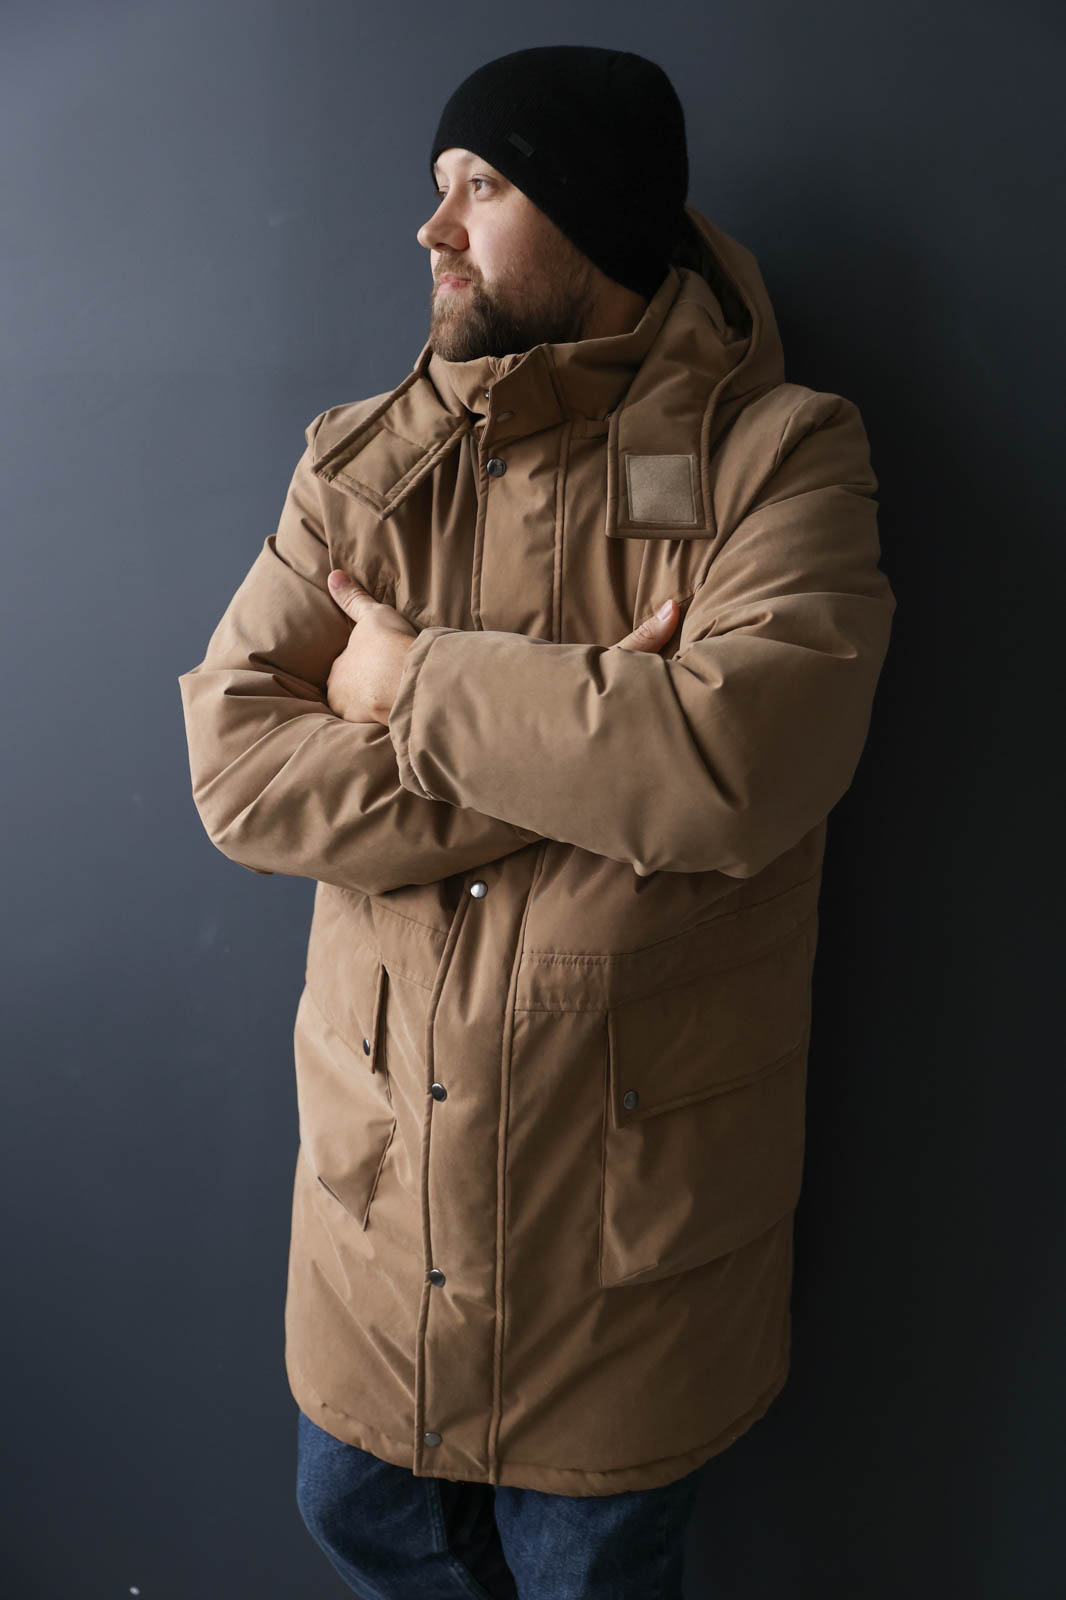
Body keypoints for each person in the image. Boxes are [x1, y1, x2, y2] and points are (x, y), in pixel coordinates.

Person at [178, 43, 897, 1600]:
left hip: (618, 1239)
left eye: (483, 186)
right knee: (355, 1518)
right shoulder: (364, 467)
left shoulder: (780, 454)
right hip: (382, 1206)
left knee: (589, 1575)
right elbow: (239, 771)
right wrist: (574, 745)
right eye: (437, 186)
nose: (432, 227)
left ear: (597, 210)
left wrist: (407, 682)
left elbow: (730, 765)